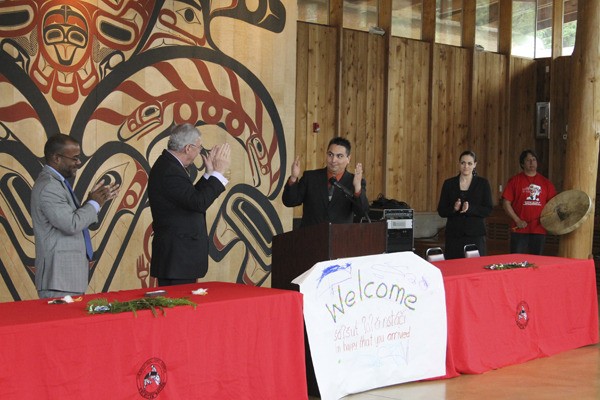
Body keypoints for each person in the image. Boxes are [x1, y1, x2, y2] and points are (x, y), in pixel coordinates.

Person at [31, 134, 120, 299]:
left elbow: (72, 218)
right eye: (75, 158)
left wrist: (92, 202)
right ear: (56, 158)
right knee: (59, 325)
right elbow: (71, 224)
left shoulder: (57, 183)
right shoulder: (49, 187)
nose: (79, 163)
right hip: (58, 279)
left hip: (65, 279)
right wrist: (94, 204)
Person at [148, 123, 231, 287]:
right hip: (177, 259)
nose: (199, 153)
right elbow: (199, 203)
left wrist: (208, 174)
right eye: (199, 148)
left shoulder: (169, 165)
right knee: (178, 311)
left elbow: (189, 199)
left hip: (178, 259)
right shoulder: (169, 169)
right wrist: (219, 173)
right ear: (188, 148)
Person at [282, 137, 369, 228]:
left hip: (340, 239)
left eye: (339, 156)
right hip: (310, 238)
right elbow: (289, 201)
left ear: (348, 159)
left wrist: (357, 187)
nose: (333, 160)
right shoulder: (311, 177)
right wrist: (293, 177)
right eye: (330, 154)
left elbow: (362, 213)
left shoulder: (354, 182)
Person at [437, 150, 493, 259]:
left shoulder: (483, 183)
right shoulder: (449, 183)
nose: (466, 166)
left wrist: (470, 208)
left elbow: (488, 209)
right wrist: (453, 208)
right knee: (454, 267)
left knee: (474, 268)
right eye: (463, 163)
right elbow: (441, 210)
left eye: (469, 163)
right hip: (454, 235)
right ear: (459, 164)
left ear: (475, 165)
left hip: (475, 234)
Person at [502, 149, 557, 255]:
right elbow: (506, 203)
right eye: (528, 160)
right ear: (522, 164)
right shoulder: (514, 181)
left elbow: (553, 205)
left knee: (536, 262)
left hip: (539, 229)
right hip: (519, 229)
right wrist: (517, 220)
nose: (532, 163)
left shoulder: (546, 183)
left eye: (534, 160)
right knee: (516, 262)